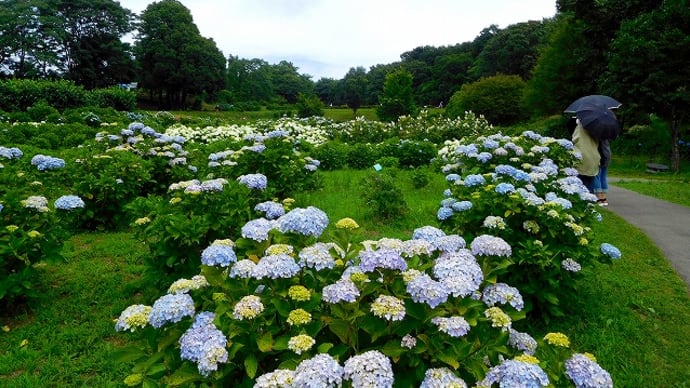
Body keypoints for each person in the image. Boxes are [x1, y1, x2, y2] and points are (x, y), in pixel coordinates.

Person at [571, 118, 599, 192]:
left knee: (579, 185)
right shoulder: (597, 129)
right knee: (590, 185)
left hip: (582, 158)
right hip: (594, 158)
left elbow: (575, 139)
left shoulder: (580, 128)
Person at [593, 139, 611, 206]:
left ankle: (599, 198)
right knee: (603, 177)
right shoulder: (606, 136)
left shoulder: (598, 136)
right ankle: (604, 198)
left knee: (596, 176)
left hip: (599, 156)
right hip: (607, 156)